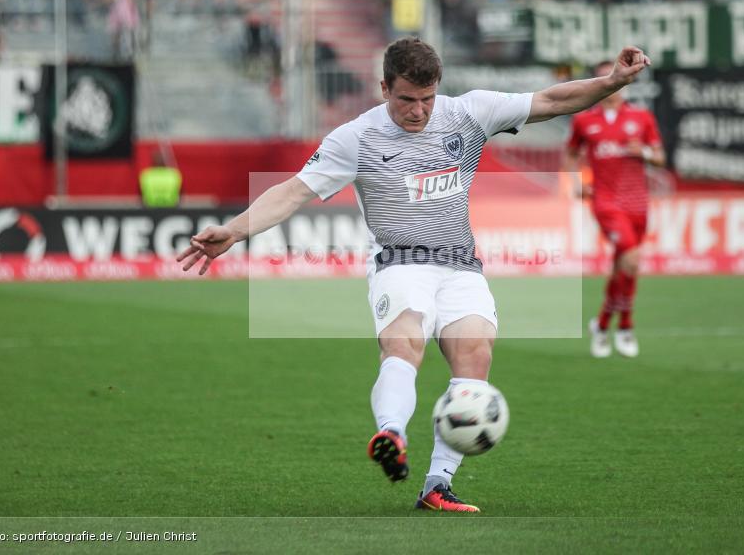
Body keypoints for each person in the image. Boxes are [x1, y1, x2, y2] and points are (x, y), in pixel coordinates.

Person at [177, 37, 650, 512]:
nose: (418, 111)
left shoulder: (468, 113)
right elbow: (293, 191)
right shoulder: (357, 138)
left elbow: (550, 100)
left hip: (460, 265)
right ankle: (391, 435)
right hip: (399, 262)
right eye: (406, 99)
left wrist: (611, 81)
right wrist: (234, 230)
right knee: (404, 343)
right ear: (384, 88)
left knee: (475, 356)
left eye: (427, 98)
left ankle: (437, 485)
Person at [564, 61, 665, 359]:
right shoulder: (584, 121)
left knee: (625, 264)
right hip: (606, 201)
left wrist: (642, 152)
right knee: (631, 259)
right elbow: (570, 154)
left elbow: (660, 157)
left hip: (638, 203)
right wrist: (576, 183)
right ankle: (625, 325)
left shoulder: (641, 117)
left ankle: (602, 324)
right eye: (605, 77)